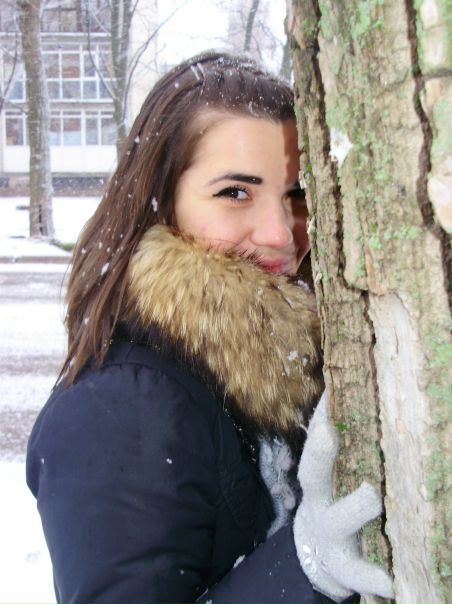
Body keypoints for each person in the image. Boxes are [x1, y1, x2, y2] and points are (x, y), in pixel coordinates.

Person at [26, 52, 394, 604]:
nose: (280, 233)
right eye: (235, 193)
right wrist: (304, 568)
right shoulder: (122, 404)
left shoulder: (295, 345)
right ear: (159, 202)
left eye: (297, 194)